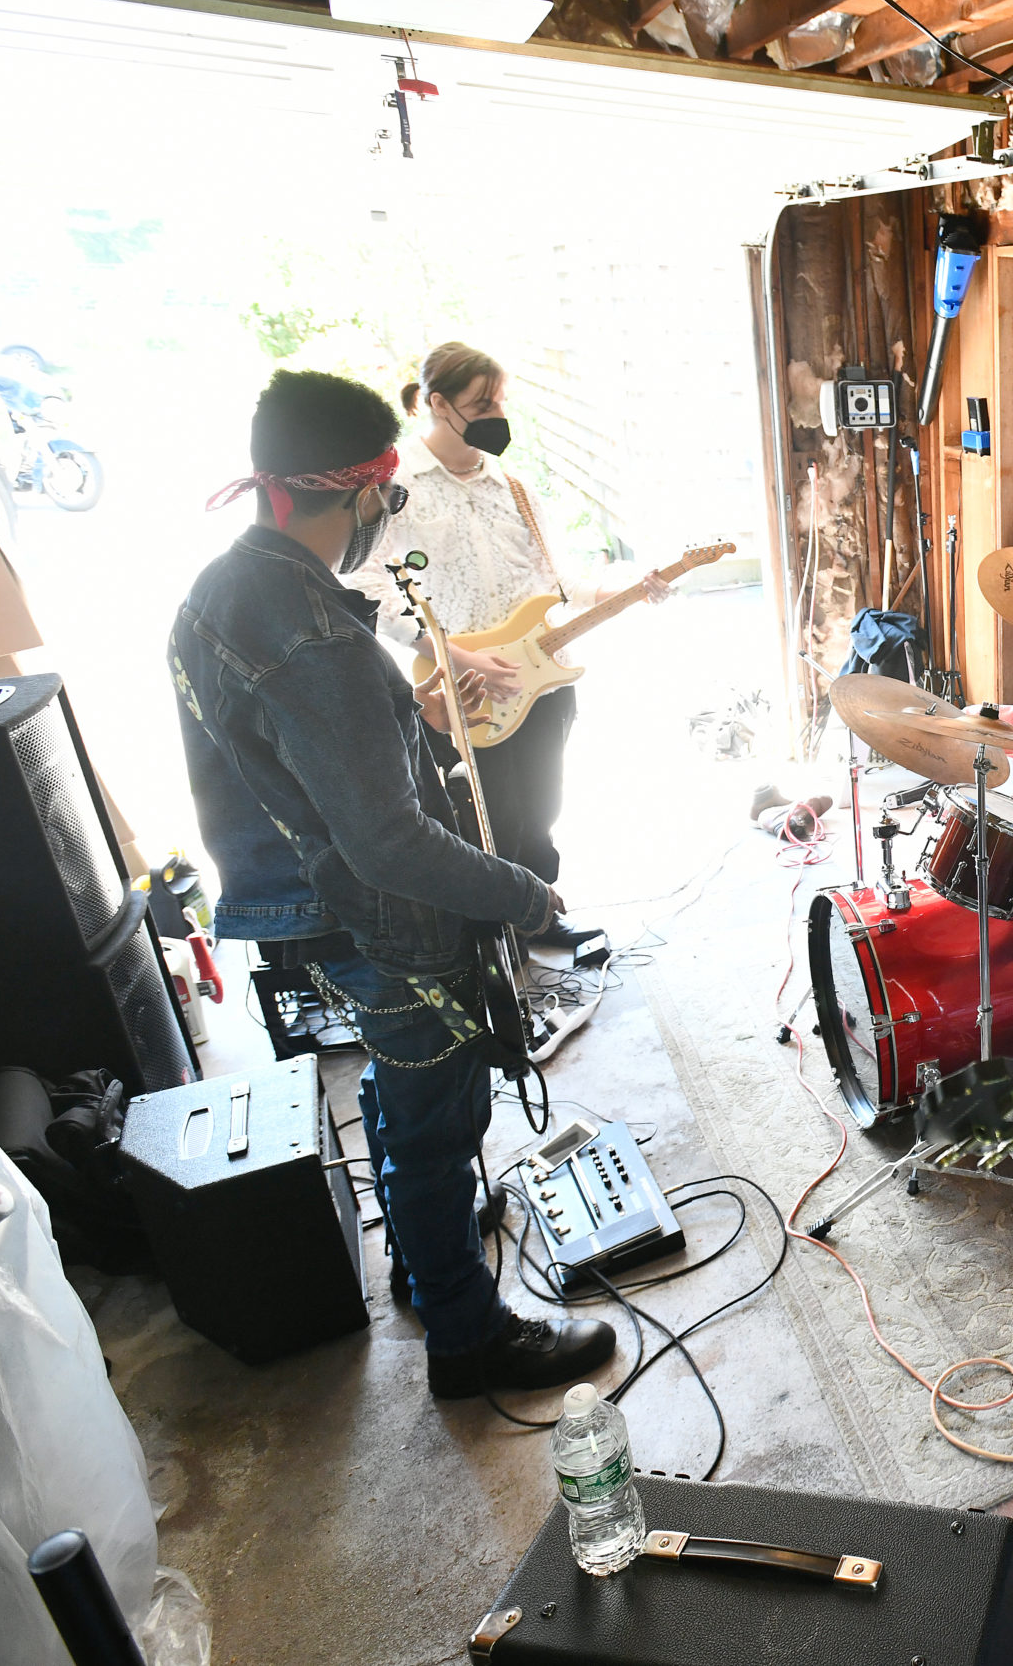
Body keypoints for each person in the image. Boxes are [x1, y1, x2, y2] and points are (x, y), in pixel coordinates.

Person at [172, 369, 615, 1400]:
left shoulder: (234, 585)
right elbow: (385, 842)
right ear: (365, 487)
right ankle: (469, 1340)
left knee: (390, 1082)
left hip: (303, 905)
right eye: (390, 492)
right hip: (371, 916)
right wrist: (522, 893)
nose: (389, 508)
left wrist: (405, 713)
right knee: (432, 1124)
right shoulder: (313, 633)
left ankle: (426, 1266)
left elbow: (302, 759)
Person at [347, 341, 670, 949]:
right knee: (485, 820)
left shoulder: (514, 484)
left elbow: (555, 581)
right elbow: (365, 587)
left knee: (542, 810)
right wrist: (461, 656)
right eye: (481, 402)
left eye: (499, 399)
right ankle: (492, 941)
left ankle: (539, 915)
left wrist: (627, 586)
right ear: (437, 403)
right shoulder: (398, 484)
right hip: (460, 689)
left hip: (542, 679)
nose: (496, 412)